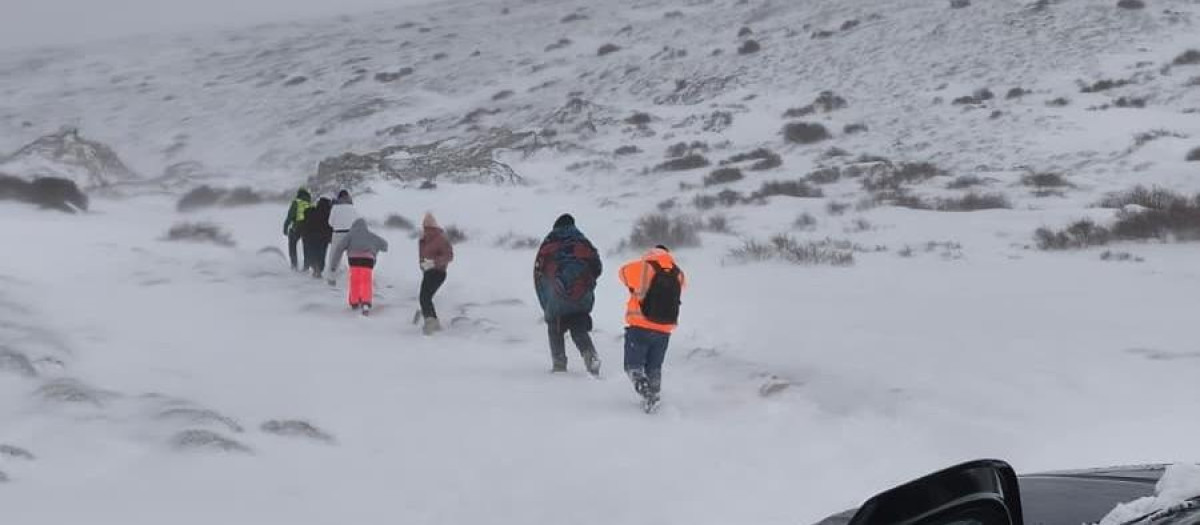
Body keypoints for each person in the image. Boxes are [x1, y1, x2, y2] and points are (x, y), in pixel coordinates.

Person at [618, 245, 685, 412]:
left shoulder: (644, 267)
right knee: (654, 367)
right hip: (664, 330)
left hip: (640, 326)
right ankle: (655, 397)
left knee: (633, 366)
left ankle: (647, 393)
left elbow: (622, 273)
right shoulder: (679, 274)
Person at [533, 214, 602, 375]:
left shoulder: (549, 243)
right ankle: (590, 357)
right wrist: (587, 286)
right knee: (578, 326)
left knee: (555, 327)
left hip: (556, 296)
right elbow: (597, 267)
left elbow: (538, 274)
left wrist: (546, 303)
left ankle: (559, 364)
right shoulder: (582, 242)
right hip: (581, 297)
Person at [328, 218, 389, 315]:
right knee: (366, 281)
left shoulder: (350, 235)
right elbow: (385, 245)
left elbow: (339, 248)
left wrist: (333, 265)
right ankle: (365, 303)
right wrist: (374, 248)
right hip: (367, 261)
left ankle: (354, 302)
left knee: (355, 281)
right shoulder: (371, 235)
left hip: (354, 261)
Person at [417, 213, 453, 334]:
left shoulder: (441, 238)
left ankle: (431, 322)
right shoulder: (423, 240)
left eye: (429, 228)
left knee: (425, 297)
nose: (427, 230)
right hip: (427, 272)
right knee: (424, 297)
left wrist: (434, 263)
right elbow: (421, 257)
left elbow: (449, 256)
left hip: (438, 272)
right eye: (425, 227)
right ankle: (432, 320)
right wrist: (422, 265)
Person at [326, 189, 360, 285]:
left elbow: (330, 223)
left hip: (338, 233)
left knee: (334, 257)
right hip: (351, 234)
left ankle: (332, 279)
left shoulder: (335, 208)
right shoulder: (353, 208)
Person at [302, 196, 333, 278]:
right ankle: (318, 270)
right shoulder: (328, 214)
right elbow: (330, 227)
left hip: (310, 237)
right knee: (321, 255)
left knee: (312, 253)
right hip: (323, 238)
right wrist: (330, 238)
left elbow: (305, 217)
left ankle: (314, 267)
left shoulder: (311, 211)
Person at [282, 188, 312, 271]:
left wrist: (285, 228)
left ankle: (294, 265)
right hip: (308, 229)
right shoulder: (310, 203)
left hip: (297, 227)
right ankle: (306, 266)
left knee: (292, 245)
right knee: (307, 247)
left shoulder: (296, 202)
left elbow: (290, 216)